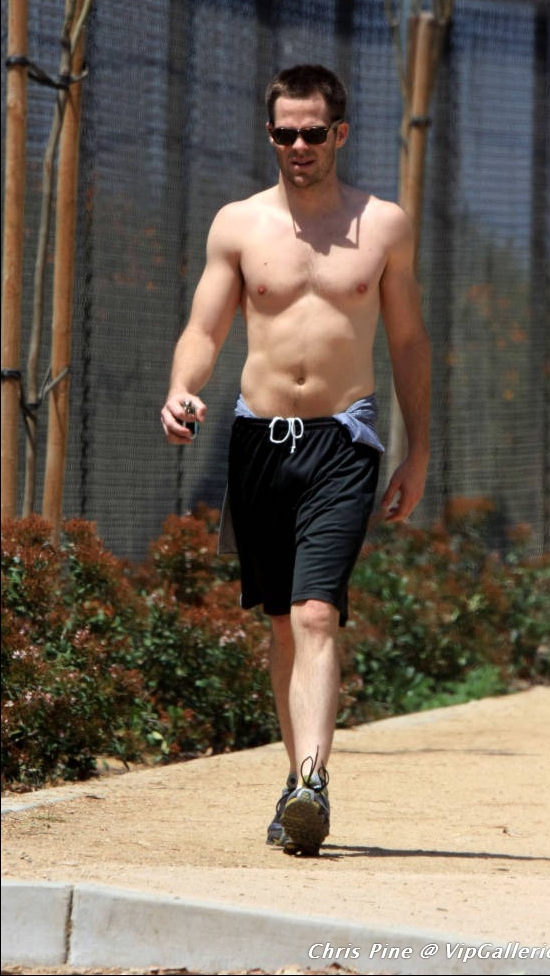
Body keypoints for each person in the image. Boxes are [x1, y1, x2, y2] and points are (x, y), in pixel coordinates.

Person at [161, 65, 431, 856]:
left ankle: (314, 783)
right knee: (282, 622)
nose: (299, 146)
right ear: (270, 135)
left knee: (316, 612)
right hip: (258, 439)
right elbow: (205, 329)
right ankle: (295, 778)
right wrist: (180, 388)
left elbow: (408, 342)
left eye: (314, 132)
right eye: (286, 133)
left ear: (339, 133)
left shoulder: (383, 226)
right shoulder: (239, 226)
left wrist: (419, 451)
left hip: (344, 440)